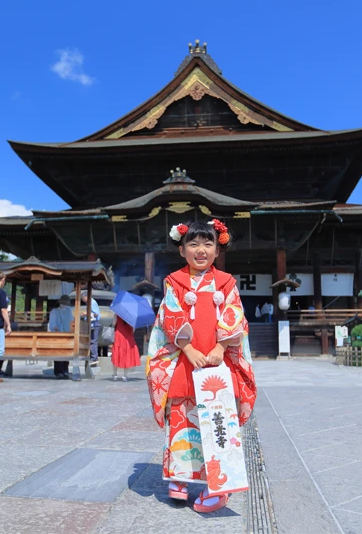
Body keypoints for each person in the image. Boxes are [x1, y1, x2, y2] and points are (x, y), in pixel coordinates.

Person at [146, 219, 256, 513]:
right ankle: (179, 478)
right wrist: (188, 348)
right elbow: (169, 317)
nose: (201, 250)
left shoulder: (226, 283)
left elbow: (235, 317)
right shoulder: (175, 282)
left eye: (208, 244)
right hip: (186, 359)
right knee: (182, 417)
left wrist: (221, 347)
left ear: (218, 249)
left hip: (217, 361)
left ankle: (216, 486)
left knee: (217, 420)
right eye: (193, 244)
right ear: (182, 249)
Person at [49, 294, 74, 378]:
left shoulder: (69, 310)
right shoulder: (55, 311)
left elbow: (72, 321)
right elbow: (52, 324)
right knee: (58, 354)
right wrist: (56, 328)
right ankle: (59, 371)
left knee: (66, 354)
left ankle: (65, 370)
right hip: (58, 335)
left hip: (67, 334)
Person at [111, 315, 140, 381]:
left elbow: (114, 324)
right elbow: (133, 329)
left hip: (119, 335)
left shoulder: (117, 313)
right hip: (128, 336)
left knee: (116, 354)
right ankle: (125, 375)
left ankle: (114, 374)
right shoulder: (132, 315)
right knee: (127, 355)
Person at [81, 290, 101, 364]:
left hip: (94, 323)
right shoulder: (90, 302)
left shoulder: (92, 302)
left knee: (93, 341)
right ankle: (92, 356)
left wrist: (86, 314)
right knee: (91, 341)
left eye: (83, 298)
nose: (82, 300)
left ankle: (94, 358)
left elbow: (96, 314)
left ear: (85, 297)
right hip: (92, 323)